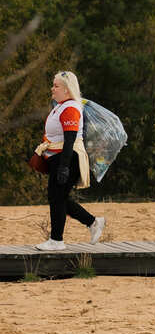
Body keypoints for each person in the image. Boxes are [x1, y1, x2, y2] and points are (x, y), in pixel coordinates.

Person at [34, 71, 105, 251]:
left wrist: (64, 166)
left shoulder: (70, 108)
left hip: (68, 157)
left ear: (66, 90)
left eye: (56, 86)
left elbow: (70, 138)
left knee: (57, 197)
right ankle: (93, 222)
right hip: (58, 157)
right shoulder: (61, 106)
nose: (52, 88)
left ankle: (57, 240)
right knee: (57, 197)